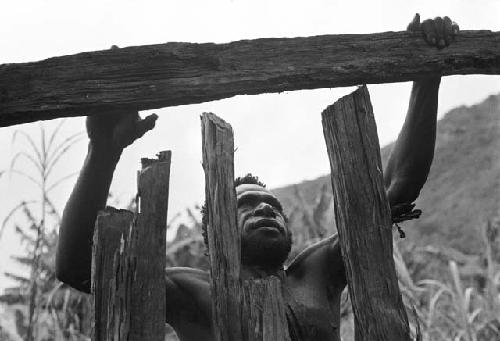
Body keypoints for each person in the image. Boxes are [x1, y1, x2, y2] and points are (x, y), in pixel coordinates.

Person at [56, 14, 459, 341]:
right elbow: (77, 268)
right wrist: (103, 151)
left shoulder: (316, 273)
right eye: (245, 205)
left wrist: (427, 80)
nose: (265, 206)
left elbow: (394, 190)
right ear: (215, 233)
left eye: (272, 204)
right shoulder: (192, 293)